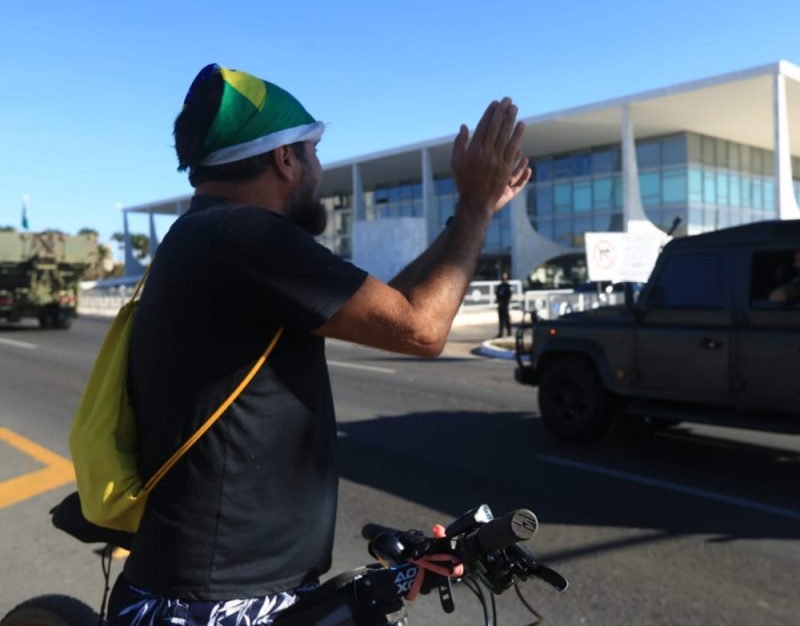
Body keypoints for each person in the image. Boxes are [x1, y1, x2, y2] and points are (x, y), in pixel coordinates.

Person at [106, 64, 531, 624]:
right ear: (285, 158)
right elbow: (422, 329)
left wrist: (468, 216)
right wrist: (476, 208)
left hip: (234, 581)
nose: (319, 168)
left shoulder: (207, 234)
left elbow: (394, 308)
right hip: (220, 601)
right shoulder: (246, 236)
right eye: (312, 150)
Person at [495, 270, 513, 337]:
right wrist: (498, 301)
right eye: (503, 275)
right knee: (501, 319)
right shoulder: (499, 286)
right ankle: (500, 333)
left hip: (505, 304)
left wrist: (506, 302)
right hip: (500, 304)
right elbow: (497, 294)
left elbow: (509, 295)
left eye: (505, 275)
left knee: (507, 319)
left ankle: (509, 333)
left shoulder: (509, 286)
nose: (504, 277)